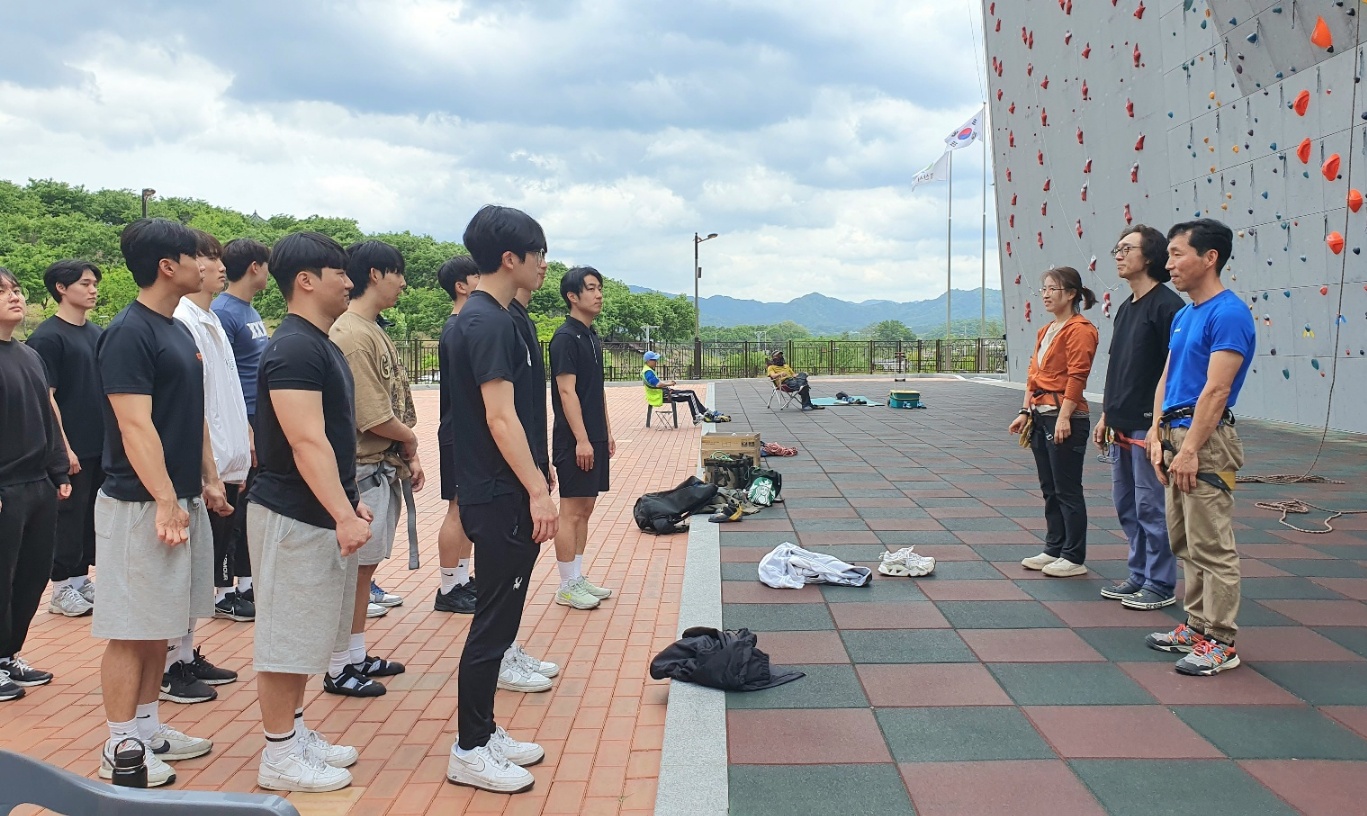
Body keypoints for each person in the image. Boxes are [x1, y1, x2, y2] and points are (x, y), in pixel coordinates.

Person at [93, 219, 228, 787]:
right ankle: (120, 742)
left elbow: (190, 415)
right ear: (168, 266)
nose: (207, 265)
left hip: (179, 497)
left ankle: (148, 727)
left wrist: (209, 477)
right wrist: (165, 499)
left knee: (160, 626)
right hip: (140, 503)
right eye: (197, 256)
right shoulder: (129, 333)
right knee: (132, 628)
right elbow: (135, 425)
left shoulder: (176, 329)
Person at [247, 231, 367, 791]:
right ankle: (278, 754)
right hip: (291, 515)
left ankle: (294, 733)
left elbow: (333, 438)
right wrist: (343, 513)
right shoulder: (294, 347)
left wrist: (349, 502)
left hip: (316, 512)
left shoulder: (320, 343)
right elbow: (306, 440)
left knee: (304, 638)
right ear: (306, 280)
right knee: (285, 639)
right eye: (339, 272)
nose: (349, 282)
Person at [443, 205, 555, 793]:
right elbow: (499, 416)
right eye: (539, 254)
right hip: (499, 493)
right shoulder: (486, 322)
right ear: (510, 258)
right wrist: (536, 489)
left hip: (500, 488)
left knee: (501, 620)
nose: (544, 264)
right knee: (492, 624)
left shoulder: (495, 317)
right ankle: (469, 748)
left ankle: (484, 731)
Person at [1145, 219, 1254, 676]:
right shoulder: (1185, 314)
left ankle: (1221, 641)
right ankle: (1196, 625)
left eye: (1177, 254)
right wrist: (1156, 433)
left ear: (1210, 258)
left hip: (1204, 440)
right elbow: (1166, 378)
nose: (1168, 263)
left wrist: (1190, 449)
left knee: (1212, 544)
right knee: (1185, 540)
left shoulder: (1229, 314)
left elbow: (1217, 390)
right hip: (1174, 435)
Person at [325, 240, 419, 697]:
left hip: (378, 466)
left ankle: (355, 654)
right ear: (376, 274)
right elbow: (372, 415)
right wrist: (410, 440)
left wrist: (405, 451)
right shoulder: (352, 334)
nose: (403, 283)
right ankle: (337, 664)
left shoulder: (370, 328)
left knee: (364, 571)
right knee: (351, 572)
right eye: (397, 272)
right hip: (363, 470)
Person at [157, 229, 246, 705]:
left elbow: (226, 392)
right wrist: (207, 470)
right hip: (200, 465)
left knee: (200, 572)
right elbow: (196, 404)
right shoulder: (184, 319)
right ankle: (169, 664)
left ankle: (186, 652)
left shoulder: (210, 318)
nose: (217, 265)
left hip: (223, 461)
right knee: (181, 573)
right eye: (207, 257)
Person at [1093, 226, 1185, 610]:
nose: (1118, 255)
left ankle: (1160, 583)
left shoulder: (1168, 307)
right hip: (1120, 422)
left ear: (1149, 256)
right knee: (1127, 505)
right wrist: (1106, 415)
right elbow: (1119, 367)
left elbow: (1173, 372)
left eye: (1126, 248)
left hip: (1148, 425)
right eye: (1117, 248)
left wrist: (1157, 425)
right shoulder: (1125, 307)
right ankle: (1139, 573)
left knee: (1152, 506)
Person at [0, 267, 71, 702]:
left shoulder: (28, 355)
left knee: (31, 576)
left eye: (15, 289)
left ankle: (8, 654)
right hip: (5, 489)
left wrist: (58, 470)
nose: (14, 296)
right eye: (1, 291)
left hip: (37, 484)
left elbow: (47, 417)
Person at [1009, 266, 1099, 578]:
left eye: (1053, 289)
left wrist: (1064, 417)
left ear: (1072, 293)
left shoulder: (1080, 329)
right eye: (1044, 289)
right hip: (1041, 415)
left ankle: (1073, 556)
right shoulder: (1045, 330)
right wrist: (1024, 411)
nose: (1046, 295)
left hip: (1065, 416)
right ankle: (1054, 548)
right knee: (1049, 488)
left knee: (1067, 489)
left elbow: (1077, 377)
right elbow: (1033, 376)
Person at [26, 259, 103, 617]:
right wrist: (64, 448)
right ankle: (59, 589)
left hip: (99, 443)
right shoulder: (47, 337)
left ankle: (79, 579)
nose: (93, 290)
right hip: (71, 446)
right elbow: (47, 396)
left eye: (94, 284)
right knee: (68, 517)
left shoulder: (96, 333)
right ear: (61, 287)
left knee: (89, 517)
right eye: (85, 284)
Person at [550, 267, 616, 611]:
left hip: (594, 436)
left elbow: (596, 390)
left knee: (586, 509)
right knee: (571, 510)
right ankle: (566, 585)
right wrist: (581, 439)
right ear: (572, 296)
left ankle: (576, 576)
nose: (598, 294)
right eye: (590, 288)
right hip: (574, 440)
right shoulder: (565, 338)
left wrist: (605, 432)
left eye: (599, 288)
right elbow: (566, 391)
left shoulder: (591, 336)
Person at [212, 238, 272, 609]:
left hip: (257, 418)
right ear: (254, 267)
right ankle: (223, 591)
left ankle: (247, 583)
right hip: (240, 421)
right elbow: (223, 376)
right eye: (266, 265)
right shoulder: (223, 311)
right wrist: (242, 427)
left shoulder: (248, 310)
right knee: (232, 504)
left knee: (251, 504)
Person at [434, 255, 480, 614]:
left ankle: (462, 579)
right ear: (461, 286)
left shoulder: (463, 326)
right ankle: (448, 586)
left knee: (467, 508)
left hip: (465, 431)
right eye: (476, 275)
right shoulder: (456, 330)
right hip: (458, 431)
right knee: (458, 507)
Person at [642, 352, 715, 422]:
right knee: (690, 394)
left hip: (662, 393)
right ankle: (697, 416)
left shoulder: (648, 370)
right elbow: (658, 384)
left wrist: (667, 384)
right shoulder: (648, 372)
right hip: (661, 395)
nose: (656, 361)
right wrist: (669, 384)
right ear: (648, 361)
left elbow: (657, 383)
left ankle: (704, 412)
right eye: (654, 360)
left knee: (690, 394)